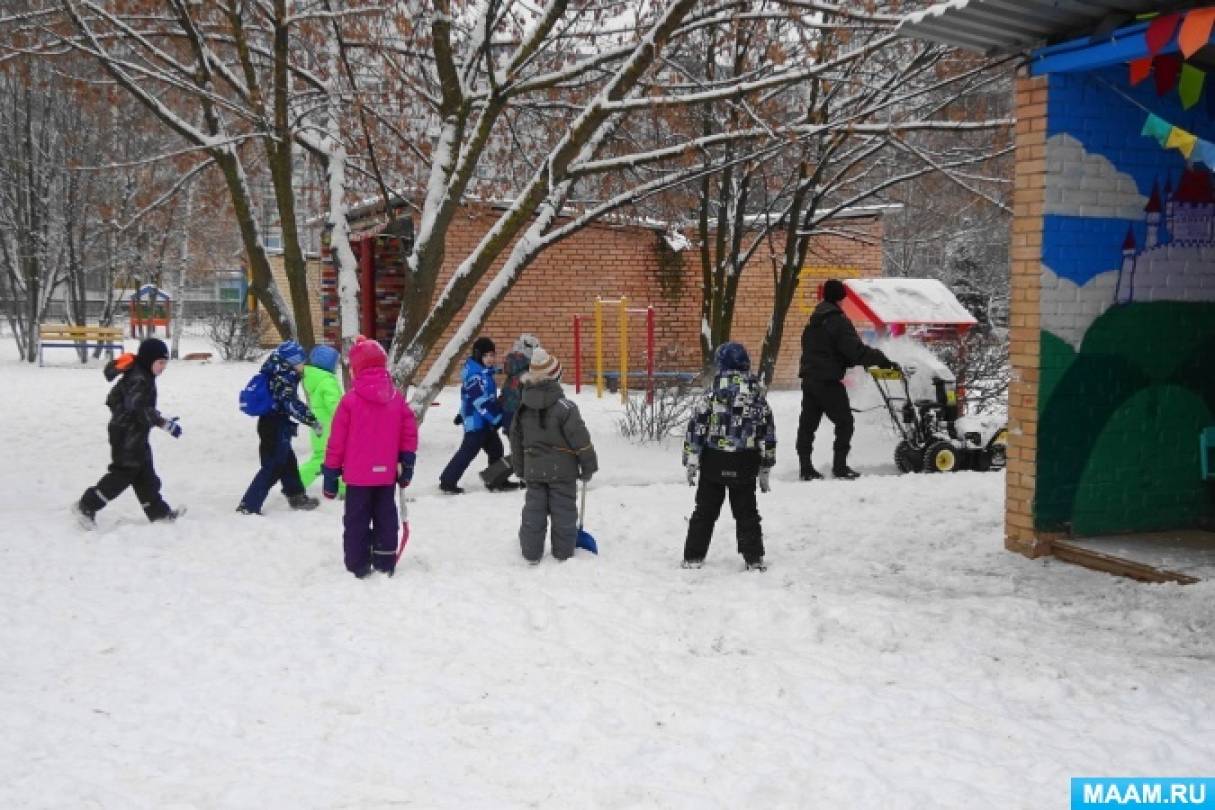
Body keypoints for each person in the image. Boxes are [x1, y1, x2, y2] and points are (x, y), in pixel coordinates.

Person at [322, 336, 419, 578]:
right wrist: (406, 461)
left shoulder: (350, 402)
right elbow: (409, 432)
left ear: (356, 370)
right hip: (385, 475)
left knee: (356, 520)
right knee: (386, 516)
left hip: (357, 478)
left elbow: (337, 441)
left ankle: (357, 563)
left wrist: (331, 473)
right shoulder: (395, 399)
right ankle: (385, 559)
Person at [681, 342, 776, 572]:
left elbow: (697, 427)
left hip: (714, 461)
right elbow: (768, 431)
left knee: (704, 511)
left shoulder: (712, 393)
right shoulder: (757, 395)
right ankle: (753, 558)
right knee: (747, 512)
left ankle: (693, 556)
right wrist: (766, 465)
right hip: (745, 462)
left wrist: (691, 458)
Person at [74, 338, 184, 528]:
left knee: (145, 474)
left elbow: (119, 401)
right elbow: (136, 407)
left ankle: (159, 513)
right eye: (160, 362)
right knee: (123, 474)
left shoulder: (143, 375)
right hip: (126, 435)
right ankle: (86, 505)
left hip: (135, 433)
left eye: (165, 363)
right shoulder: (139, 378)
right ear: (149, 360)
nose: (163, 367)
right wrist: (162, 422)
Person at [796, 278, 895, 480]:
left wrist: (847, 361)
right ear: (840, 298)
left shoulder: (814, 321)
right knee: (845, 422)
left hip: (810, 380)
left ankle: (805, 468)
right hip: (828, 382)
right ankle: (840, 467)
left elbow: (824, 351)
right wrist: (880, 359)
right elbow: (855, 350)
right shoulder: (838, 321)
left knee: (808, 425)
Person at [508, 348, 598, 564]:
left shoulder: (522, 409)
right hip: (563, 472)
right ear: (556, 377)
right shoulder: (565, 408)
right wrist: (588, 466)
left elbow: (516, 442)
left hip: (534, 471)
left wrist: (520, 469)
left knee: (534, 511)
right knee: (564, 511)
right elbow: (580, 439)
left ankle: (531, 553)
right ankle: (563, 553)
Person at [236, 340, 323, 514]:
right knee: (273, 467)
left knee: (288, 461)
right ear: (292, 362)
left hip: (274, 424)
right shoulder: (283, 377)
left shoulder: (279, 372)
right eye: (301, 362)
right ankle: (248, 505)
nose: (303, 366)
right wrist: (312, 420)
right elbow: (290, 403)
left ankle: (296, 495)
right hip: (274, 426)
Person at [438, 336, 520, 494]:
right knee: (468, 451)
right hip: (477, 423)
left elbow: (488, 373)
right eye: (486, 355)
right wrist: (497, 419)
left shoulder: (481, 370)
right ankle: (447, 482)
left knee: (496, 449)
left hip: (483, 421)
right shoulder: (475, 377)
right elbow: (479, 402)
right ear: (478, 355)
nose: (490, 359)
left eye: (492, 355)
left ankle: (496, 480)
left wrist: (507, 368)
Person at [299, 344, 343, 493]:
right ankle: (295, 484)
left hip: (319, 426)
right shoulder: (327, 381)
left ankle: (345, 488)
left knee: (327, 457)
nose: (337, 366)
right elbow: (334, 405)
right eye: (335, 363)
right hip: (330, 427)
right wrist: (346, 417)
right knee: (324, 459)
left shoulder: (314, 378)